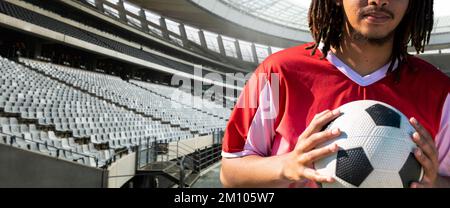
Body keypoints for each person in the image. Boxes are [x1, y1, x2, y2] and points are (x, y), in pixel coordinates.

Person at [220, 0, 450, 188]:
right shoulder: (274, 71)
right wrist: (288, 165)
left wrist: (434, 183)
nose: (379, 1)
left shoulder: (441, 90)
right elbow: (229, 173)